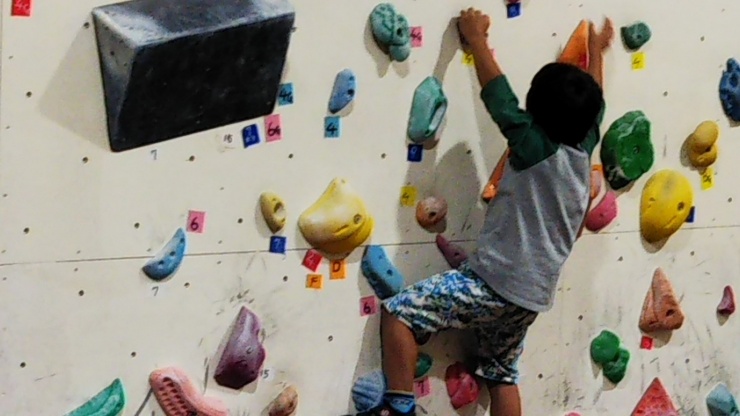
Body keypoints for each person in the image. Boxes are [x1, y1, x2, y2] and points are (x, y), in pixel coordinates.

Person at [351, 7, 615, 416]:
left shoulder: (532, 143)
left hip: (493, 283)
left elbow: (498, 96)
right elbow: (596, 102)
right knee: (501, 371)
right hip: (532, 297)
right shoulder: (583, 146)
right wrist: (596, 51)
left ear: (535, 111)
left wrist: (475, 39)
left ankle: (399, 409)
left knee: (399, 313)